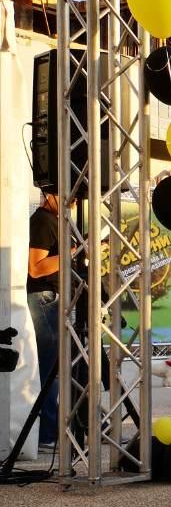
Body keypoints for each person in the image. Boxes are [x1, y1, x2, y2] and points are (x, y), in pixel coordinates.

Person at [26, 191, 67, 449]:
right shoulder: (42, 220)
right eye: (68, 197)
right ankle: (48, 433)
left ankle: (59, 427)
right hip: (44, 298)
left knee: (63, 365)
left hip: (54, 297)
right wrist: (75, 251)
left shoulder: (55, 220)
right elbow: (36, 267)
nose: (72, 203)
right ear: (50, 194)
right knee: (50, 366)